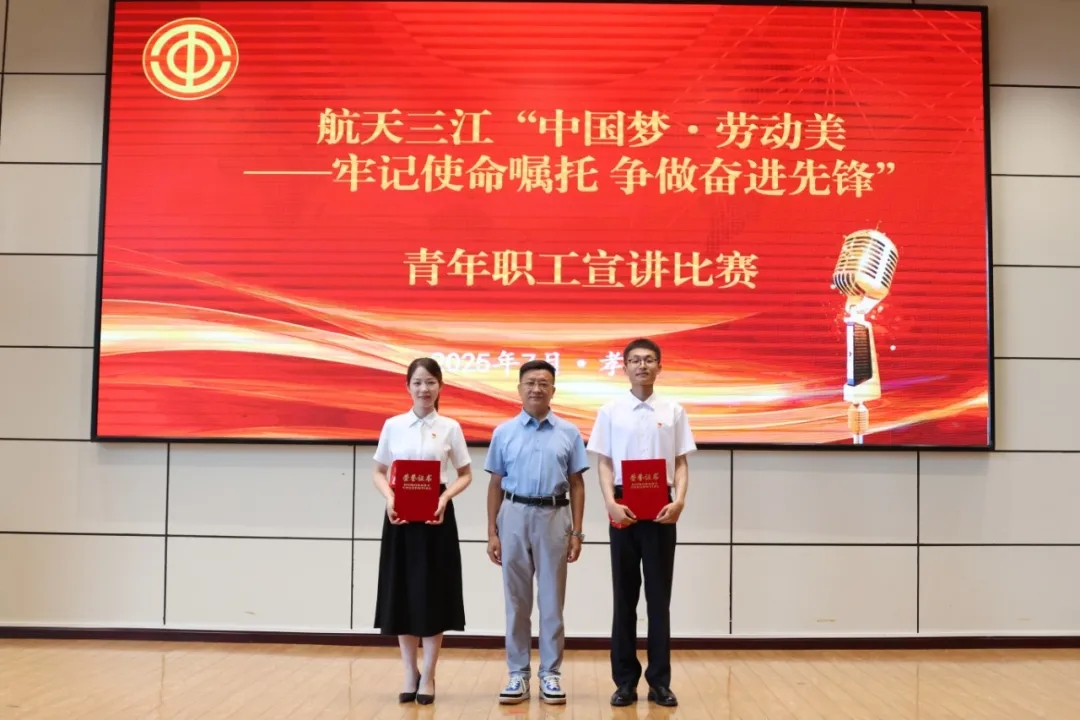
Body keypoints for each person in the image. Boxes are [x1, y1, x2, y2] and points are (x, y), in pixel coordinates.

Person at [586, 338, 696, 708]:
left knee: (659, 598)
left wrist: (679, 501)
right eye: (635, 360)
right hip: (623, 507)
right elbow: (604, 462)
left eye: (649, 360)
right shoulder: (610, 411)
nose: (642, 366)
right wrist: (610, 503)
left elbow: (680, 462)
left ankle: (660, 682)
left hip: (662, 508)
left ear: (659, 367)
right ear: (625, 367)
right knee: (624, 597)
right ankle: (625, 682)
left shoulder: (673, 410)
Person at [484, 359, 588, 706]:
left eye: (544, 383)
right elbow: (495, 484)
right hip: (513, 514)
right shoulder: (503, 432)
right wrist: (492, 532)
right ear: (519, 388)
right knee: (516, 601)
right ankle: (517, 674)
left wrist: (577, 532)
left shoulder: (569, 433)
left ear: (553, 390)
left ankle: (550, 674)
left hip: (555, 516)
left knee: (552, 601)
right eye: (530, 382)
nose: (536, 388)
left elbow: (577, 484)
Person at [372, 357, 472, 706]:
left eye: (430, 382)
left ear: (440, 386)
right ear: (407, 387)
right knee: (401, 592)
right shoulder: (393, 425)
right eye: (417, 382)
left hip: (436, 519)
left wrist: (444, 497)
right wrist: (389, 498)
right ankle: (409, 672)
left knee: (433, 594)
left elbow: (465, 474)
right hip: (400, 517)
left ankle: (428, 675)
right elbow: (379, 471)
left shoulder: (450, 427)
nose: (424, 389)